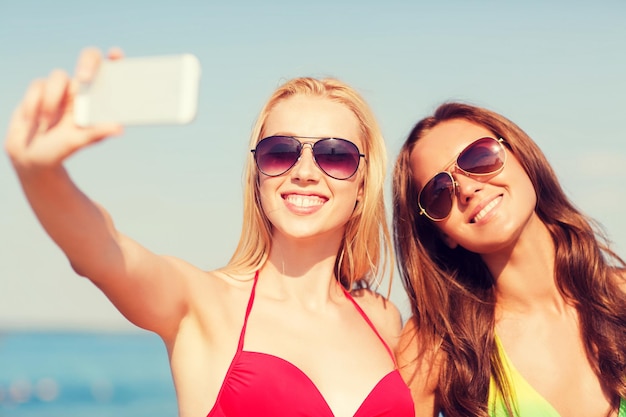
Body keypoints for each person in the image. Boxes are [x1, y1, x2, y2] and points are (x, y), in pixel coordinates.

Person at [4, 47, 415, 417]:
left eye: (334, 155)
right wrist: (40, 172)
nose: (304, 172)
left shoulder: (383, 320)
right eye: (281, 152)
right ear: (258, 177)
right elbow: (104, 252)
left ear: (362, 185)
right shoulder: (203, 302)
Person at [391, 102, 626, 417]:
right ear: (441, 231)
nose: (468, 189)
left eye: (479, 157)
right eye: (439, 192)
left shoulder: (621, 295)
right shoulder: (434, 345)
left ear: (522, 157)